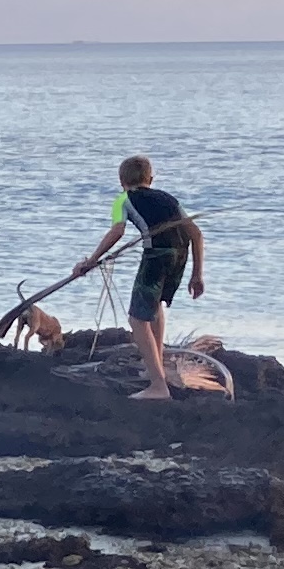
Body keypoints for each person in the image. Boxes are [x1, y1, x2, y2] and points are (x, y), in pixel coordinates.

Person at [64, 154, 204, 397]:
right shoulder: (168, 199)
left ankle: (159, 387)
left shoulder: (123, 200)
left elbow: (117, 231)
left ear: (121, 181)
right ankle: (156, 369)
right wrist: (197, 275)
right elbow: (196, 234)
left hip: (156, 257)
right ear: (151, 178)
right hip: (180, 256)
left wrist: (91, 261)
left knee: (137, 320)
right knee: (156, 306)